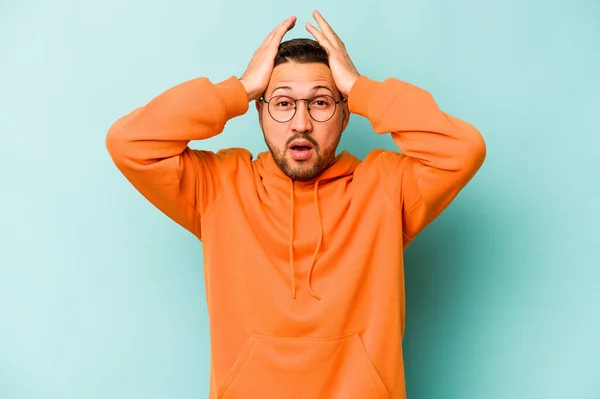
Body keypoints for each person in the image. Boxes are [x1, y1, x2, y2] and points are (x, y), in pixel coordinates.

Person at [106, 10, 486, 399]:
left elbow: (462, 150)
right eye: (283, 104)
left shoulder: (387, 188)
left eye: (320, 103)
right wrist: (238, 89)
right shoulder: (218, 186)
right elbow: (129, 144)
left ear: (344, 113)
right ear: (259, 111)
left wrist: (360, 87)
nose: (301, 123)